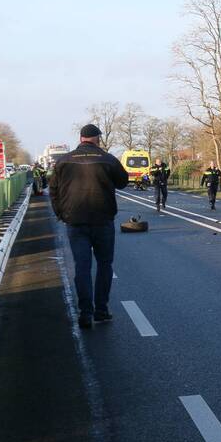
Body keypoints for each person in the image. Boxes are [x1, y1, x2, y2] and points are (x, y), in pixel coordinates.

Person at [49, 124, 129, 329]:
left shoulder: (64, 160)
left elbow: (54, 190)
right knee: (104, 265)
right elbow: (123, 182)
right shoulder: (108, 159)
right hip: (103, 220)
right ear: (97, 139)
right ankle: (101, 310)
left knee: (82, 267)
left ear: (81, 138)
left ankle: (85, 312)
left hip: (75, 221)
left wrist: (61, 213)